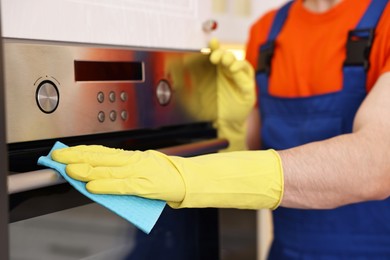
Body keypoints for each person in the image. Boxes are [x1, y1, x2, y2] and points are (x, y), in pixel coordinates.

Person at [52, 0, 390, 258]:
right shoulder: (268, 32)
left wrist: (187, 176)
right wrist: (232, 127)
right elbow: (253, 153)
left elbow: (375, 163)